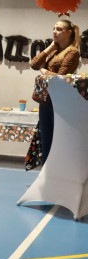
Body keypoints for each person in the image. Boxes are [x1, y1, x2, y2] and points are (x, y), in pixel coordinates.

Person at [29, 18, 80, 163]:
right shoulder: (54, 50)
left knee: (58, 139)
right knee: (46, 138)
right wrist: (49, 48)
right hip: (46, 99)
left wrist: (44, 71)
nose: (54, 32)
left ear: (69, 32)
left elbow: (61, 77)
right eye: (54, 28)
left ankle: (57, 173)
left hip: (60, 101)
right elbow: (34, 64)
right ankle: (46, 171)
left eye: (59, 29)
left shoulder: (72, 52)